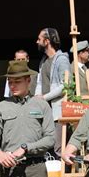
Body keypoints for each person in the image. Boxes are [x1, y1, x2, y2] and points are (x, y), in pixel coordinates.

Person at [34, 27, 70, 158]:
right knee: (46, 146)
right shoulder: (43, 61)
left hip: (57, 111)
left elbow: (65, 85)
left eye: (39, 39)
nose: (37, 42)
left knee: (58, 147)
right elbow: (39, 82)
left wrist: (45, 97)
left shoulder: (61, 59)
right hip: (44, 111)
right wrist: (37, 97)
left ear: (47, 41)